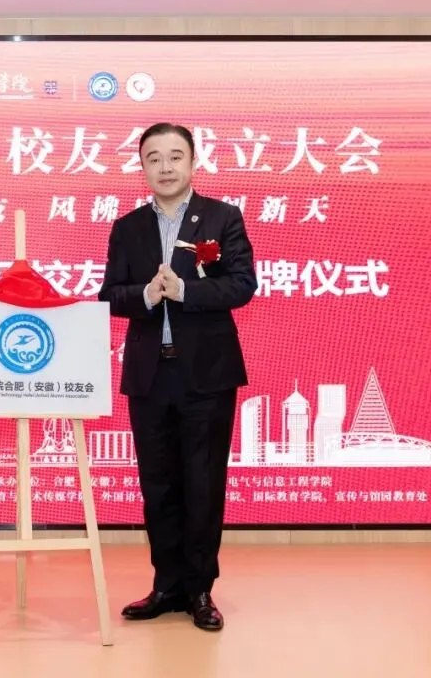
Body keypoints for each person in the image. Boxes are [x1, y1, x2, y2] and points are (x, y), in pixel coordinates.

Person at [98, 122, 257, 632]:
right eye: (154, 158)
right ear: (142, 166)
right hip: (150, 374)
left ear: (192, 162)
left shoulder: (222, 218)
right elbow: (109, 295)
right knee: (158, 483)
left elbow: (242, 285)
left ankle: (200, 589)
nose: (164, 167)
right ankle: (166, 585)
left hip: (206, 375)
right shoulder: (128, 227)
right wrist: (147, 295)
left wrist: (185, 290)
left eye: (174, 157)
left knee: (203, 484)